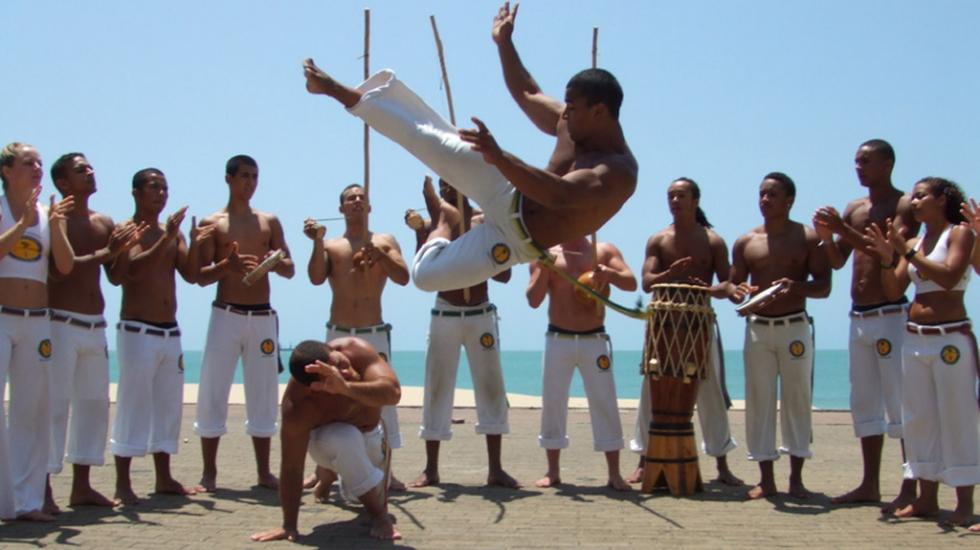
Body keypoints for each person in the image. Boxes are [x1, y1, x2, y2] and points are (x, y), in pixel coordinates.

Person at [301, 14, 637, 293]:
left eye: (573, 108)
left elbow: (560, 195)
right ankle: (333, 89)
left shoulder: (618, 172)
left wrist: (501, 157)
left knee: (425, 277)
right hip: (506, 188)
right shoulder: (573, 121)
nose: (563, 114)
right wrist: (504, 43)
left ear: (599, 112)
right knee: (426, 138)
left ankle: (448, 221)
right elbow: (527, 91)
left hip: (515, 241)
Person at [813, 139, 919, 510]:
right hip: (858, 317)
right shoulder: (854, 208)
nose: (859, 167)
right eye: (856, 161)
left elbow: (890, 253)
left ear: (888, 163)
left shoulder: (903, 204)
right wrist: (829, 238)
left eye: (866, 161)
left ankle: (910, 483)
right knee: (864, 402)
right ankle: (869, 483)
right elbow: (838, 261)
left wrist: (842, 228)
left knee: (901, 401)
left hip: (890, 312)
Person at [865, 177, 977, 527]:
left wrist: (908, 252)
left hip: (949, 340)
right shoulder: (914, 240)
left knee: (957, 418)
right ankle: (926, 498)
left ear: (941, 199)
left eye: (921, 196)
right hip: (915, 338)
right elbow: (895, 287)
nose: (913, 202)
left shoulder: (959, 234)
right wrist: (888, 258)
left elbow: (948, 276)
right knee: (919, 419)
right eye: (912, 197)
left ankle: (963, 502)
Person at [626, 178, 750, 487]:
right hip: (663, 325)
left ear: (695, 200)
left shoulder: (713, 241)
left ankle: (721, 464)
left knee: (711, 393)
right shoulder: (658, 239)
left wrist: (730, 291)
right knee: (651, 391)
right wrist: (672, 274)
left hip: (699, 323)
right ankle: (643, 460)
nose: (675, 200)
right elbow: (647, 281)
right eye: (670, 195)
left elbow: (726, 281)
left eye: (681, 195)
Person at [406, 176, 519, 488]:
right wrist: (420, 232)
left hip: (481, 314)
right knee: (437, 388)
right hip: (445, 313)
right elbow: (424, 268)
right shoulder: (436, 226)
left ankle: (495, 469)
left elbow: (505, 274)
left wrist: (487, 242)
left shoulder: (484, 222)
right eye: (443, 185)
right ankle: (431, 469)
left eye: (453, 181)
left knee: (491, 387)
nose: (448, 189)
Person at [45, 153, 142, 512]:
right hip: (59, 323)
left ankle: (81, 486)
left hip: (94, 325)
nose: (90, 172)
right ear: (63, 183)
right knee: (55, 407)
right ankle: (43, 487)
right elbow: (59, 273)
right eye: (81, 170)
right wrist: (109, 250)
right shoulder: (53, 222)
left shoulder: (104, 221)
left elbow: (116, 275)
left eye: (90, 167)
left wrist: (125, 248)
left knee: (93, 406)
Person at [109, 168, 211, 504]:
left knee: (168, 406)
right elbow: (129, 273)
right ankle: (123, 483)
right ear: (136, 192)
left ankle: (164, 477)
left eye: (165, 187)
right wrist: (167, 237)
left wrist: (195, 242)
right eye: (154, 187)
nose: (161, 193)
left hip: (170, 331)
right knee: (133, 404)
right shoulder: (127, 230)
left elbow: (193, 274)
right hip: (138, 329)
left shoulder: (172, 232)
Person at [193, 155, 295, 492]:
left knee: (264, 392)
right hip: (226, 314)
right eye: (244, 176)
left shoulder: (269, 221)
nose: (250, 183)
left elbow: (289, 266)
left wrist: (273, 262)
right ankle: (209, 473)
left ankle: (264, 473)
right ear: (229, 179)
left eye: (255, 176)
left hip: (262, 316)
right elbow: (201, 276)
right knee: (213, 389)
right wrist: (228, 265)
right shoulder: (214, 222)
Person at [302, 182, 409, 496]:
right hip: (338, 334)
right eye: (351, 198)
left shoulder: (384, 240)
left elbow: (403, 277)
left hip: (373, 333)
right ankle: (325, 471)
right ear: (341, 209)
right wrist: (317, 242)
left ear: (370, 206)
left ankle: (387, 469)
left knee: (382, 401)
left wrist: (380, 257)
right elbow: (315, 277)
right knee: (331, 400)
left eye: (362, 197)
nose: (357, 201)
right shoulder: (333, 245)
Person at [730, 172, 831, 499]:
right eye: (761, 194)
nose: (764, 200)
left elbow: (824, 286)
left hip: (795, 328)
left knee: (797, 399)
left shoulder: (808, 237)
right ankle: (766, 479)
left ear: (789, 200)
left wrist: (794, 286)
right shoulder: (746, 241)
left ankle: (797, 479)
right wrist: (738, 291)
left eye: (772, 195)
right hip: (758, 328)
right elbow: (735, 285)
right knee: (759, 400)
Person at [250, 337, 402, 542]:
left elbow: (393, 394)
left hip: (371, 433)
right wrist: (289, 525)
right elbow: (292, 466)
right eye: (332, 376)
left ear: (334, 349)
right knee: (344, 438)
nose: (344, 373)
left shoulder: (356, 350)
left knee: (358, 491)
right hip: (330, 440)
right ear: (314, 387)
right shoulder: (299, 405)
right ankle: (379, 517)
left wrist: (345, 387)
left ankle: (328, 474)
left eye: (340, 364)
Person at [526, 233, 636, 490]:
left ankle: (614, 473)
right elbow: (533, 300)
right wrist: (544, 268)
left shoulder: (604, 250)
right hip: (558, 338)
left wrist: (610, 274)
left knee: (605, 401)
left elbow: (631, 283)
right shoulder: (546, 252)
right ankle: (552, 471)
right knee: (553, 402)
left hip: (594, 338)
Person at [0, 142, 74, 521]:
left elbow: (64, 266)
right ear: (7, 170)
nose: (37, 168)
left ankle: (27, 502)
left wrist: (56, 226)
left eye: (40, 163)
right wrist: (20, 223)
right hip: (2, 317)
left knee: (32, 411)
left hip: (37, 321)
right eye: (29, 162)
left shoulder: (47, 215)